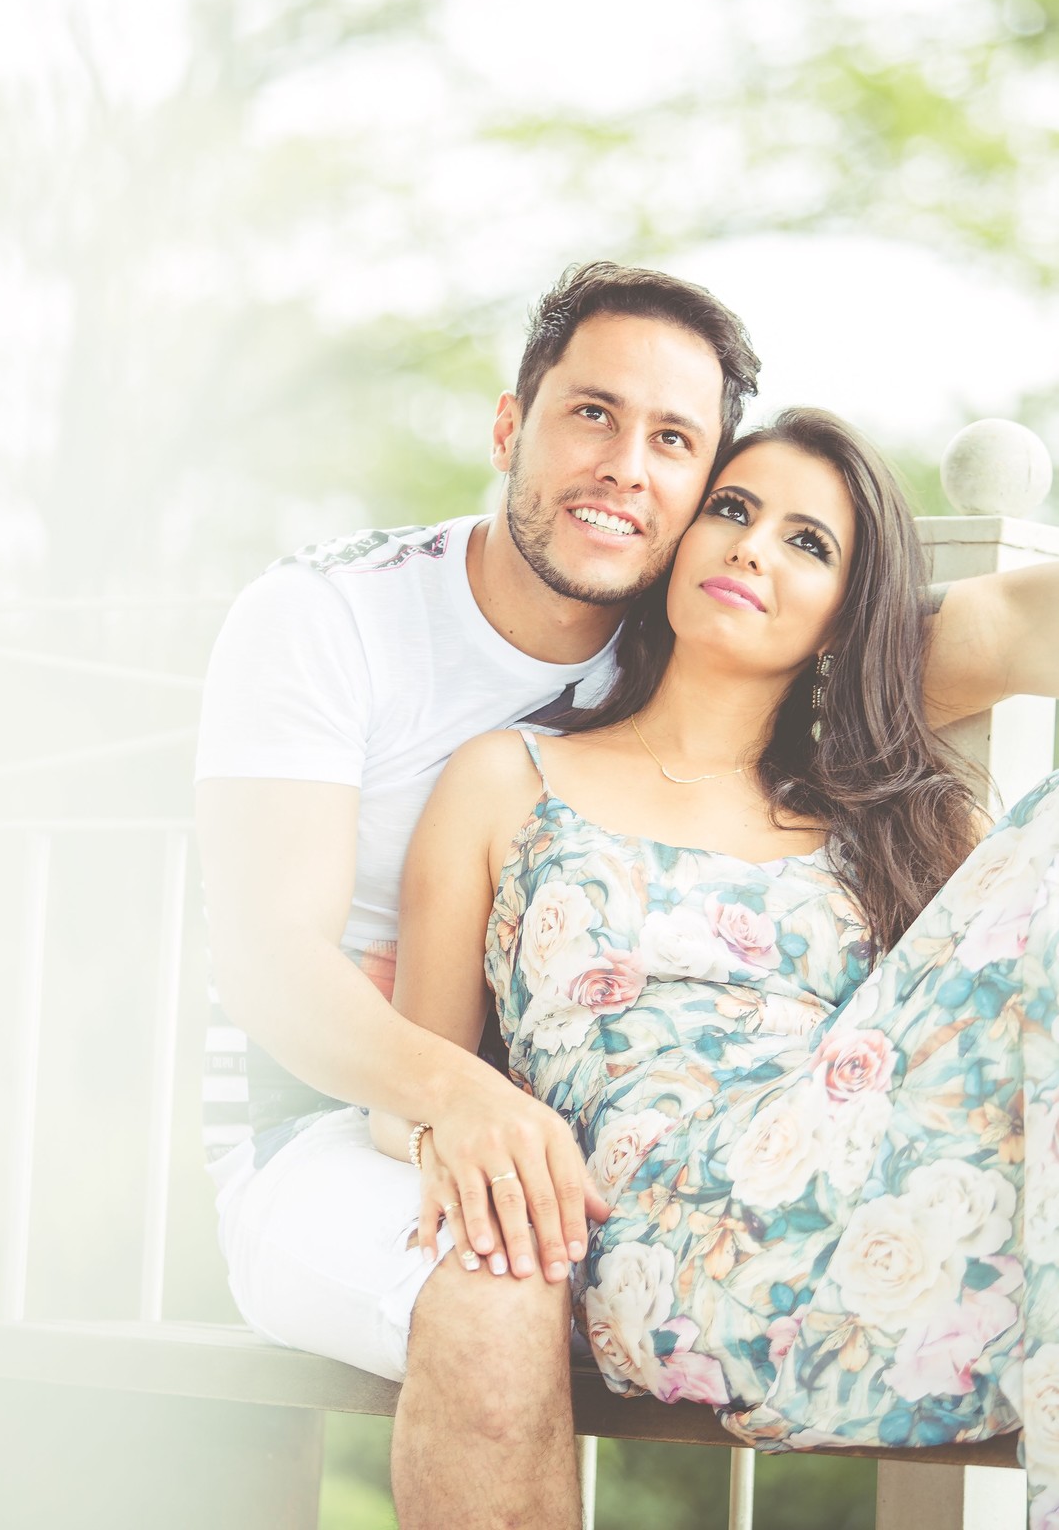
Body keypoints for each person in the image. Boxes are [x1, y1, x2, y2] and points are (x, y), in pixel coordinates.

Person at [195, 261, 1055, 1530]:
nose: (625, 470)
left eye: (673, 443)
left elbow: (1012, 626)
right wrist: (462, 1101)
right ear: (509, 424)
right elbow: (271, 957)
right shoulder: (348, 631)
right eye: (590, 413)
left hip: (838, 1172)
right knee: (497, 1284)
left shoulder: (807, 725)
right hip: (372, 1129)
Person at [370, 407, 1059, 1525]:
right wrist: (453, 1129)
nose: (750, 548)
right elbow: (408, 1080)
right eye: (732, 511)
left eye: (806, 543)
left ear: (846, 617)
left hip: (875, 1219)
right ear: (680, 541)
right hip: (664, 1248)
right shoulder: (508, 778)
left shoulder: (882, 826)